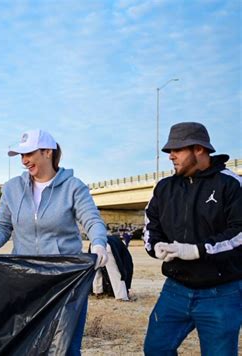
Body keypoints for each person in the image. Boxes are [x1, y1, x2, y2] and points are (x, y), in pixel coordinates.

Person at [0, 129, 108, 356]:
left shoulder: (73, 187)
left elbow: (92, 220)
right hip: (26, 281)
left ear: (47, 152)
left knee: (64, 347)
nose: (24, 161)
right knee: (24, 346)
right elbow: (3, 226)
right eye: (21, 156)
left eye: (28, 154)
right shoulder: (12, 189)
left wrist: (98, 244)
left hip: (65, 282)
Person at [143, 122, 242, 355]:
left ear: (199, 149)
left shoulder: (230, 184)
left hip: (222, 293)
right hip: (175, 290)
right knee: (156, 349)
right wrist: (155, 246)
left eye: (177, 150)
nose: (171, 156)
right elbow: (150, 223)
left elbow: (239, 232)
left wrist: (199, 250)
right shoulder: (164, 187)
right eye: (169, 151)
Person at [92, 235, 133, 301]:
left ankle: (97, 292)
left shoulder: (114, 241)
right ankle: (121, 296)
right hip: (108, 247)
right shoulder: (122, 247)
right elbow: (127, 266)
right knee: (115, 273)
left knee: (96, 271)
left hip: (95, 245)